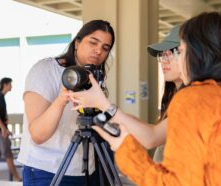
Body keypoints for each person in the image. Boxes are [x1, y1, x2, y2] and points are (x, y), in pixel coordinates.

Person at [90, 12, 221, 186]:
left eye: (180, 51)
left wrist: (125, 149)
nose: (173, 59)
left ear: (201, 54)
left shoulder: (193, 99)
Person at [17, 20, 115, 186]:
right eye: (93, 42)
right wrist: (62, 99)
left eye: (105, 47)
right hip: (47, 171)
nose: (99, 51)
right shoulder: (46, 70)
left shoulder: (92, 79)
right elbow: (38, 134)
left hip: (86, 170)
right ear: (77, 43)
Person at [68, 26, 183, 163]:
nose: (165, 59)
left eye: (173, 52)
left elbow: (152, 138)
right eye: (162, 54)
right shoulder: (175, 96)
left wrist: (103, 104)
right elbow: (154, 130)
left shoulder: (194, 99)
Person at [0, 77, 21, 182]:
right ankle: (16, 178)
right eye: (10, 84)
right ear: (4, 85)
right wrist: (3, 129)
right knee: (8, 155)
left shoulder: (1, 97)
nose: (12, 86)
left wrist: (5, 128)